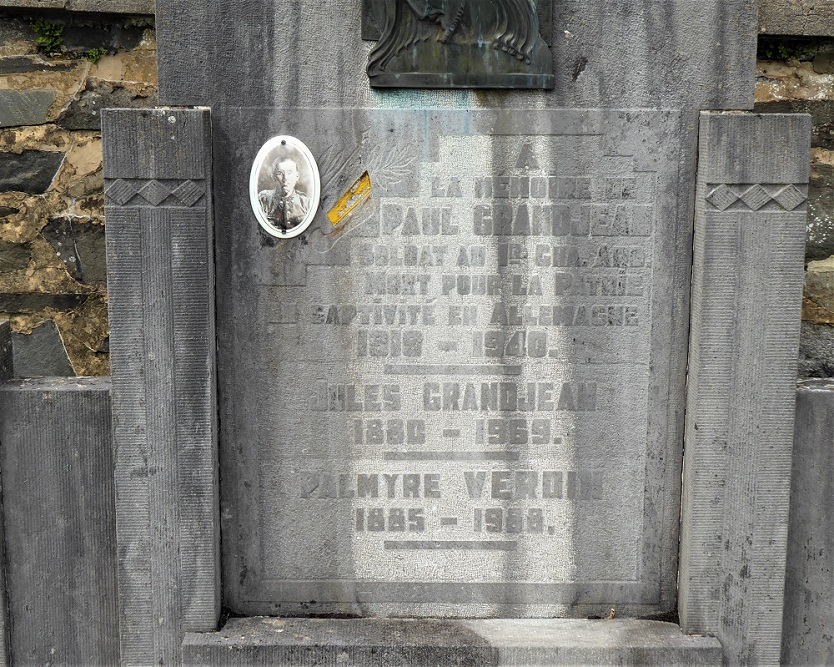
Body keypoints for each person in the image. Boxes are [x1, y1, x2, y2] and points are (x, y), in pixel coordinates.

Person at [258, 158, 311, 231]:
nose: (285, 178)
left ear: (297, 176)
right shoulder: (264, 200)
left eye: (289, 172)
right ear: (273, 177)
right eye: (280, 173)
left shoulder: (305, 202)